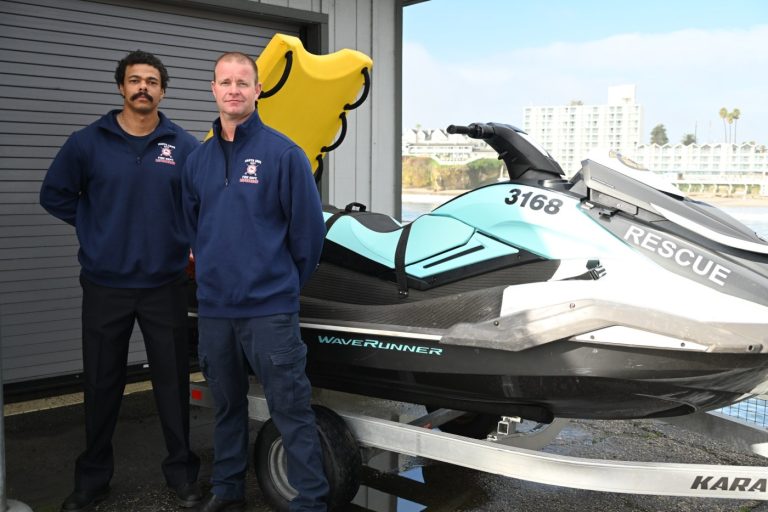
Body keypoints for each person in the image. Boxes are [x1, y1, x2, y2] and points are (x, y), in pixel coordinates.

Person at [39, 50, 202, 512]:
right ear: (121, 87)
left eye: (152, 80)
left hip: (164, 285)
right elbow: (54, 194)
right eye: (135, 80)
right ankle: (92, 480)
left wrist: (183, 238)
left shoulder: (183, 145)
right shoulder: (87, 142)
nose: (143, 87)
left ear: (163, 91)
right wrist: (95, 227)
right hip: (105, 285)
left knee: (172, 383)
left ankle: (183, 475)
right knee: (101, 383)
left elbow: (199, 203)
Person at [181, 52, 329, 512]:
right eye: (225, 81)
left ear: (258, 90)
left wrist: (277, 283)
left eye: (243, 82)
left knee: (290, 409)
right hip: (215, 311)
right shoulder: (197, 160)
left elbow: (309, 235)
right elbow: (193, 227)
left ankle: (310, 500)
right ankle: (227, 491)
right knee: (227, 407)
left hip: (269, 312)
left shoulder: (284, 155)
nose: (234, 90)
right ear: (213, 89)